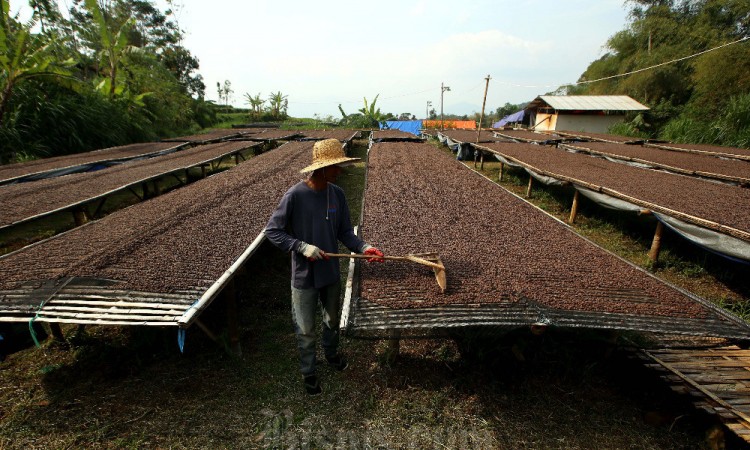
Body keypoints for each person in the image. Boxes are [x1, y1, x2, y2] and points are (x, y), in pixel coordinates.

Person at [265, 139, 384, 396]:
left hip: (330, 274)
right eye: (335, 166)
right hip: (304, 276)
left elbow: (344, 232)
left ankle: (331, 354)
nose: (339, 171)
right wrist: (300, 246)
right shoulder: (295, 195)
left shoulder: (337, 194)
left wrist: (363, 247)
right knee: (306, 328)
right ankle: (309, 371)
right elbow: (272, 232)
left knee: (331, 321)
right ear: (321, 168)